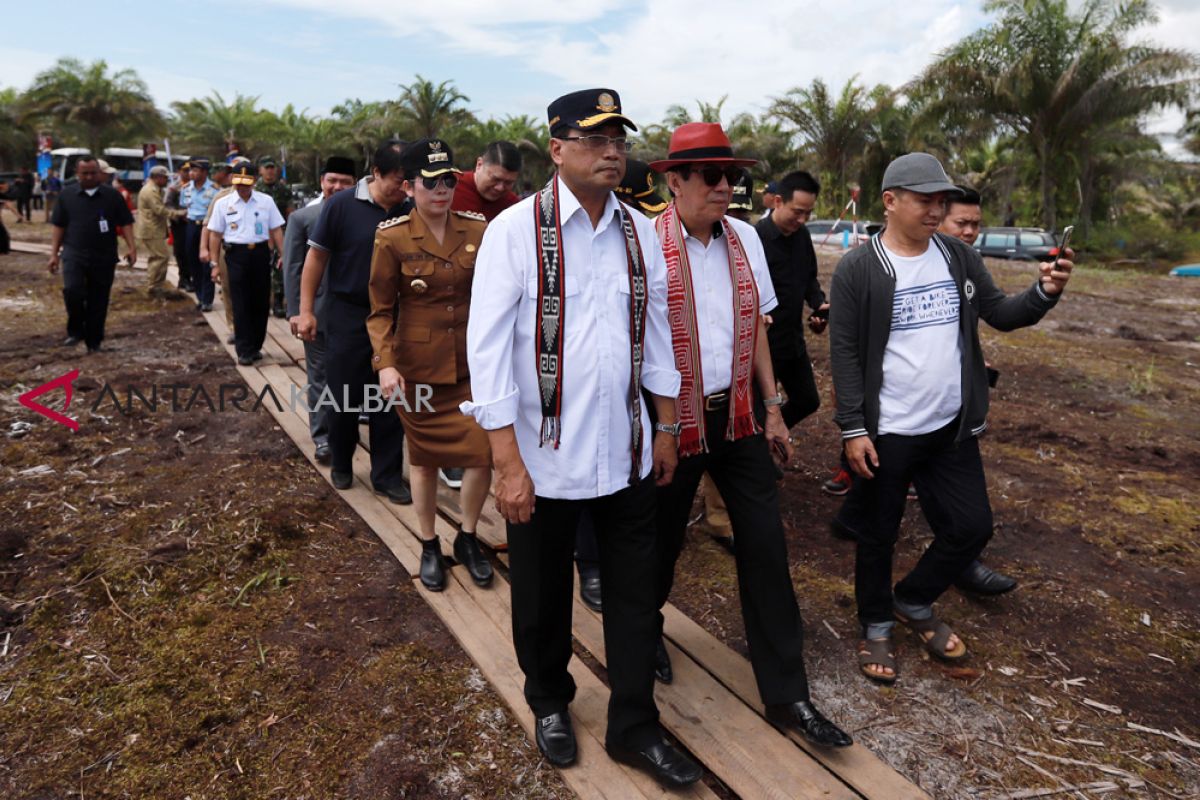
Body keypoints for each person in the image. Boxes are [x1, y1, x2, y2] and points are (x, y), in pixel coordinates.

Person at [463, 89, 700, 787]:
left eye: (619, 139)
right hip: (541, 457)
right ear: (557, 149)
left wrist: (665, 426)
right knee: (540, 592)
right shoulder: (515, 230)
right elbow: (490, 352)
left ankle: (634, 724)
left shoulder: (637, 230)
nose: (613, 151)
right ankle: (549, 700)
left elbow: (655, 338)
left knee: (633, 594)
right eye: (596, 139)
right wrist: (507, 462)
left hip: (624, 451)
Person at [829, 153, 1073, 684]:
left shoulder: (956, 257)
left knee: (971, 526)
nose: (936, 210)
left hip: (949, 426)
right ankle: (874, 622)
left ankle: (912, 599)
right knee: (878, 534)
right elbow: (844, 354)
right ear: (890, 201)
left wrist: (1044, 293)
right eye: (925, 201)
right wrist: (853, 427)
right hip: (888, 430)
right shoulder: (860, 268)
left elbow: (1001, 315)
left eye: (941, 200)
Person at [647, 122, 852, 749]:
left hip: (735, 416)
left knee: (765, 547)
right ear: (674, 180)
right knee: (656, 545)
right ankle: (645, 630)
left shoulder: (743, 239)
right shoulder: (643, 244)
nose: (724, 187)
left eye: (731, 175)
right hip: (670, 421)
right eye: (710, 175)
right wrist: (654, 426)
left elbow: (757, 328)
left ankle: (788, 693)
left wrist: (772, 407)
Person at [367, 139, 494, 592]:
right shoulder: (393, 236)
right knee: (422, 462)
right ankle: (427, 542)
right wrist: (384, 364)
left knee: (481, 455)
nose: (441, 190)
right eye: (431, 182)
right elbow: (380, 310)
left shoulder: (478, 231)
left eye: (448, 181)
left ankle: (468, 536)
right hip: (417, 367)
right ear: (408, 187)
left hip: (471, 367)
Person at [293, 140, 411, 505]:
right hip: (346, 313)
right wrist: (306, 310)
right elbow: (315, 260)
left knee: (390, 399)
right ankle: (343, 461)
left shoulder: (412, 208)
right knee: (343, 394)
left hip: (395, 316)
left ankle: (387, 474)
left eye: (409, 181)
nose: (403, 188)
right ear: (375, 173)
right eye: (397, 180)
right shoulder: (341, 205)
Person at [284, 156, 356, 465]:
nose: (338, 187)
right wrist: (297, 311)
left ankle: (349, 427)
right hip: (318, 313)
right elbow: (293, 268)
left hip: (356, 315)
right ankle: (323, 436)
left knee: (356, 376)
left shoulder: (365, 217)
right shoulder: (303, 218)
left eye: (345, 182)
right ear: (322, 181)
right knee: (320, 376)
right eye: (332, 180)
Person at [756, 170, 828, 431]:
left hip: (792, 340)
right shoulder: (755, 238)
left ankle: (772, 437)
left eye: (808, 213)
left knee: (807, 400)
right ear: (778, 202)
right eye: (797, 211)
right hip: (762, 344)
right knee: (759, 409)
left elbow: (809, 278)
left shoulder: (802, 236)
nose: (802, 219)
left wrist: (819, 305)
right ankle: (762, 456)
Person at [46, 156, 136, 353]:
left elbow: (126, 223)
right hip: (73, 253)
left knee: (99, 298)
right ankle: (76, 330)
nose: (88, 176)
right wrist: (54, 254)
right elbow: (59, 226)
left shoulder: (112, 196)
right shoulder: (66, 195)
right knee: (72, 290)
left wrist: (132, 248)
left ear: (99, 173)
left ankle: (94, 341)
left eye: (92, 173)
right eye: (84, 173)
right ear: (77, 174)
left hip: (104, 255)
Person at [205, 163, 286, 365]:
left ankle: (256, 345)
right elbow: (215, 234)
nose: (242, 188)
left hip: (259, 253)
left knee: (260, 301)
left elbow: (276, 229)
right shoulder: (224, 203)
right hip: (235, 255)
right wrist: (214, 263)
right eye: (238, 183)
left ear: (254, 182)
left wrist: (284, 254)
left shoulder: (266, 201)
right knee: (240, 301)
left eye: (246, 184)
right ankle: (244, 349)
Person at [200, 159, 247, 339]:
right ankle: (234, 327)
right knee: (228, 289)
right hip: (226, 250)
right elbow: (208, 225)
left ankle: (250, 325)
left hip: (254, 251)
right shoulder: (221, 197)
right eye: (233, 173)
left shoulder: (261, 197)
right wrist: (204, 249)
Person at [135, 165, 186, 299]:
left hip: (154, 229)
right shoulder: (150, 191)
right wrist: (179, 213)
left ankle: (156, 286)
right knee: (161, 257)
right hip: (151, 229)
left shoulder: (155, 189)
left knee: (157, 257)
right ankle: (154, 287)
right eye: (164, 178)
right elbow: (159, 210)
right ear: (157, 178)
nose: (166, 181)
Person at [256, 156, 295, 318]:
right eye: (267, 168)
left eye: (272, 168)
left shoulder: (283, 189)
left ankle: (279, 302)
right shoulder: (255, 189)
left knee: (280, 266)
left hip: (280, 230)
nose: (270, 171)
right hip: (260, 231)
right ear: (260, 170)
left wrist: (291, 230)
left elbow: (290, 210)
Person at [181, 158, 220, 310]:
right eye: (191, 170)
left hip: (208, 227)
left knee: (207, 262)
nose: (191, 173)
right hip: (191, 225)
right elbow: (185, 206)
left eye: (196, 170)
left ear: (204, 172)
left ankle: (207, 299)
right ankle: (199, 296)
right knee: (193, 261)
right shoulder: (186, 189)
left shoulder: (214, 189)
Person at [451, 140, 521, 221]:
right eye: (495, 179)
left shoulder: (513, 207)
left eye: (508, 183)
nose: (500, 188)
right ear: (479, 165)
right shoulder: (448, 187)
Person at [165, 162, 192, 290]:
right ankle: (184, 278)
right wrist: (180, 214)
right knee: (181, 251)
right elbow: (167, 205)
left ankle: (191, 277)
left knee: (192, 251)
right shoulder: (174, 187)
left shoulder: (195, 185)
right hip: (180, 224)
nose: (188, 173)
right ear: (179, 171)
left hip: (193, 222)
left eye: (189, 170)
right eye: (185, 170)